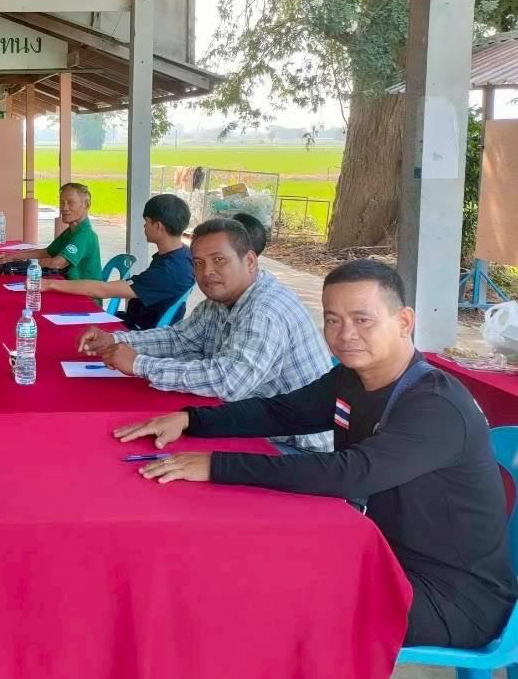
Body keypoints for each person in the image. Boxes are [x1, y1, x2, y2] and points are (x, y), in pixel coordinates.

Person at [115, 259, 517, 650]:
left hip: (451, 596)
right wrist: (191, 420)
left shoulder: (436, 404)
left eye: (362, 319)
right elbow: (282, 412)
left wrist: (218, 465)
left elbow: (350, 473)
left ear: (404, 322)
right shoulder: (352, 377)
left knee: (266, 602)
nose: (345, 334)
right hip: (379, 551)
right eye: (332, 320)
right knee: (239, 560)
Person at [80, 217, 333, 452]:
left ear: (250, 261)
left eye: (219, 260)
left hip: (295, 448)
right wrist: (116, 339)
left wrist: (139, 364)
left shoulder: (264, 311)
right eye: (198, 263)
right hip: (251, 424)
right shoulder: (221, 300)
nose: (207, 271)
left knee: (161, 455)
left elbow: (228, 381)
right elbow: (180, 339)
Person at [42, 193, 193, 330]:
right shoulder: (182, 255)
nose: (144, 226)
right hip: (134, 322)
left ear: (158, 226)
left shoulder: (169, 271)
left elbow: (104, 290)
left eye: (146, 222)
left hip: (139, 333)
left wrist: (49, 284)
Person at [0, 182, 102, 281]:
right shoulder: (70, 231)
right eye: (62, 203)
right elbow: (46, 253)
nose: (64, 208)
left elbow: (58, 263)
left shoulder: (85, 234)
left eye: (71, 203)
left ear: (86, 205)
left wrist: (29, 264)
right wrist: (11, 257)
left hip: (85, 295)